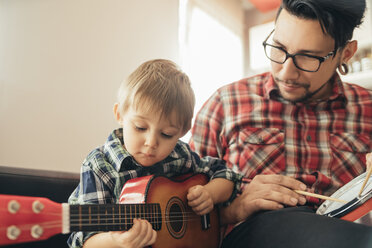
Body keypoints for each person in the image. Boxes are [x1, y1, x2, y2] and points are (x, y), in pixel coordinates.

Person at [190, 0, 372, 247]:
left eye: (308, 58)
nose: (286, 72)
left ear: (345, 53)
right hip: (252, 233)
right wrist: (236, 209)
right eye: (278, 48)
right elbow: (182, 214)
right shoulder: (225, 103)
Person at [67, 59, 242, 248]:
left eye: (166, 134)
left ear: (182, 131)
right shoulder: (99, 167)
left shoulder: (180, 155)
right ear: (119, 114)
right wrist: (116, 241)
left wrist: (210, 193)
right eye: (140, 127)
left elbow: (226, 175)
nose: (151, 143)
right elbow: (84, 240)